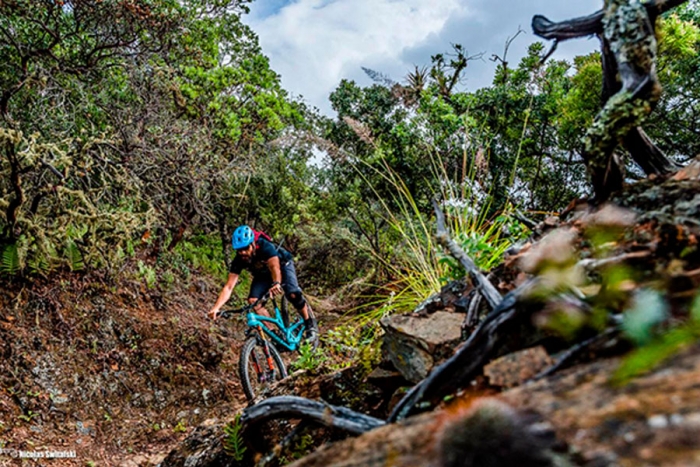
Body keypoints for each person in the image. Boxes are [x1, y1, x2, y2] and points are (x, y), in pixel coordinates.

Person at [207, 225, 318, 342]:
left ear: (253, 244)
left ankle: (309, 323)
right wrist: (216, 308)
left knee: (293, 294)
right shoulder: (239, 260)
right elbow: (229, 287)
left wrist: (276, 283)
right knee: (253, 301)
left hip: (283, 265)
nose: (243, 252)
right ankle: (276, 334)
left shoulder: (265, 247)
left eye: (245, 248)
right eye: (239, 250)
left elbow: (275, 267)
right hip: (263, 274)